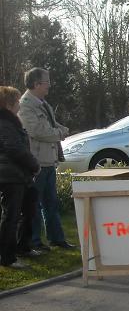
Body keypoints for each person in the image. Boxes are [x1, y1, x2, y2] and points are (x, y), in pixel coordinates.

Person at [18, 68, 75, 249]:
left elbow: (52, 124)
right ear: (36, 84)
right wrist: (59, 133)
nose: (49, 85)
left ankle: (56, 238)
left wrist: (62, 129)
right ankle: (35, 241)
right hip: (37, 163)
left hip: (49, 161)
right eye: (46, 82)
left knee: (51, 203)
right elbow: (37, 131)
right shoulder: (25, 106)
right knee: (35, 205)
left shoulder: (43, 104)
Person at [0, 86, 41, 269]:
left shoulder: (12, 121)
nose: (19, 104)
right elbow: (14, 148)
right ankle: (7, 257)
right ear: (9, 104)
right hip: (10, 176)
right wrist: (34, 164)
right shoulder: (4, 122)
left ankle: (23, 246)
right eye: (17, 101)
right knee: (11, 216)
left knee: (29, 209)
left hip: (21, 175)